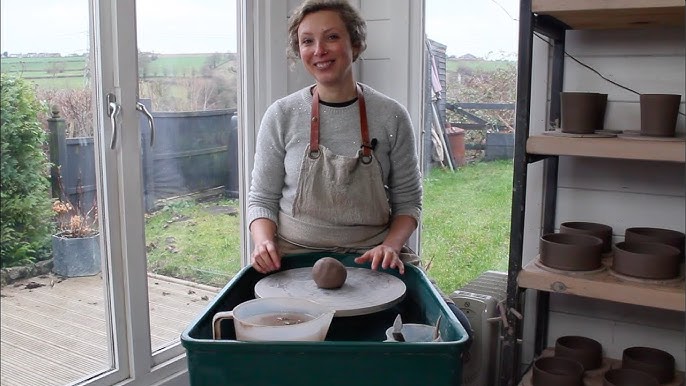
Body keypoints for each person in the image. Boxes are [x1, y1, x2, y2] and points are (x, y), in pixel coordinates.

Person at [247, 0, 473, 352]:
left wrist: (391, 245)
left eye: (331, 37)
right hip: (294, 255)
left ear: (356, 43)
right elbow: (261, 198)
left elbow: (409, 202)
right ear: (298, 51)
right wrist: (263, 242)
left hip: (373, 256)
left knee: (458, 331)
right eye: (307, 41)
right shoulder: (281, 115)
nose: (319, 50)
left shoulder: (391, 115)